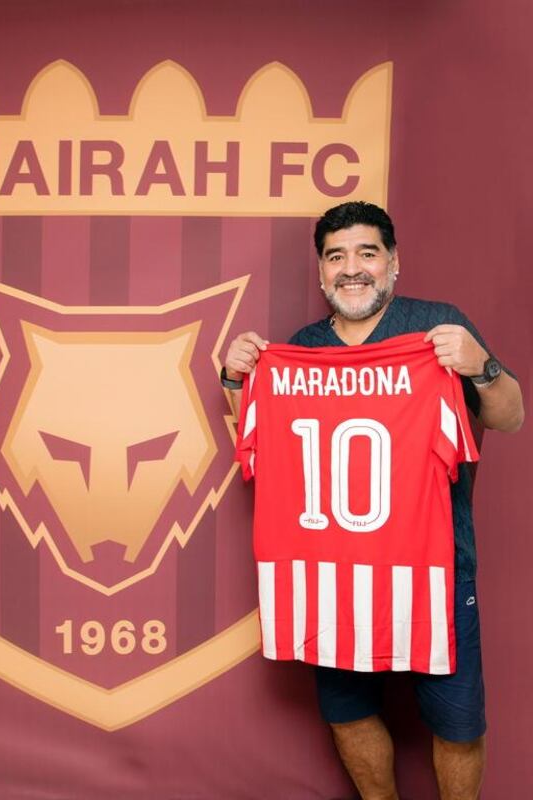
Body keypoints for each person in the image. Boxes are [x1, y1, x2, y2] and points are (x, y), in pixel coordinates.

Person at [222, 201, 524, 800]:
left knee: (456, 722)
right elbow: (259, 449)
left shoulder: (437, 328)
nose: (351, 268)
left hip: (433, 565)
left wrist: (481, 366)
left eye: (367, 253)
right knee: (347, 711)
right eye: (336, 256)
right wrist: (239, 382)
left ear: (393, 263)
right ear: (320, 272)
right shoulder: (301, 352)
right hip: (333, 570)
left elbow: (510, 417)